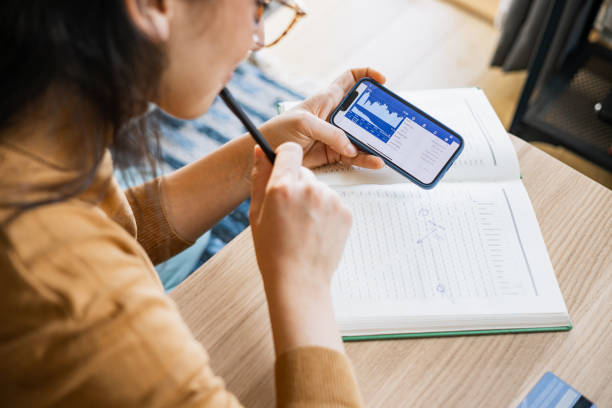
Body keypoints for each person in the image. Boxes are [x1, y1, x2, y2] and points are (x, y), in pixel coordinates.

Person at [0, 0, 387, 406]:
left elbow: (110, 229)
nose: (257, 40)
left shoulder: (42, 120)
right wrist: (303, 279)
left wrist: (263, 150)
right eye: (257, 8)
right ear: (153, 6)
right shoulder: (74, 295)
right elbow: (83, 263)